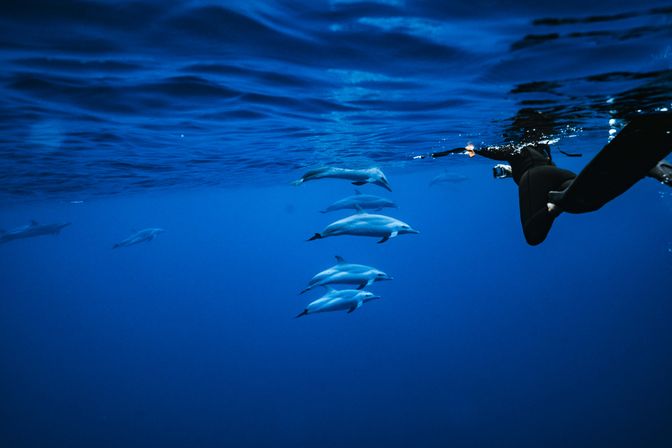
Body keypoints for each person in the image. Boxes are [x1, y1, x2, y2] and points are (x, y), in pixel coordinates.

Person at [425, 113, 672, 245]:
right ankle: (644, 167)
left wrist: (450, 151)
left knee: (534, 235)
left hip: (537, 178)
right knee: (587, 198)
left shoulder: (510, 149)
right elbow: (533, 162)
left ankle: (557, 205)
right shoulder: (543, 145)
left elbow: (473, 148)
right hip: (559, 175)